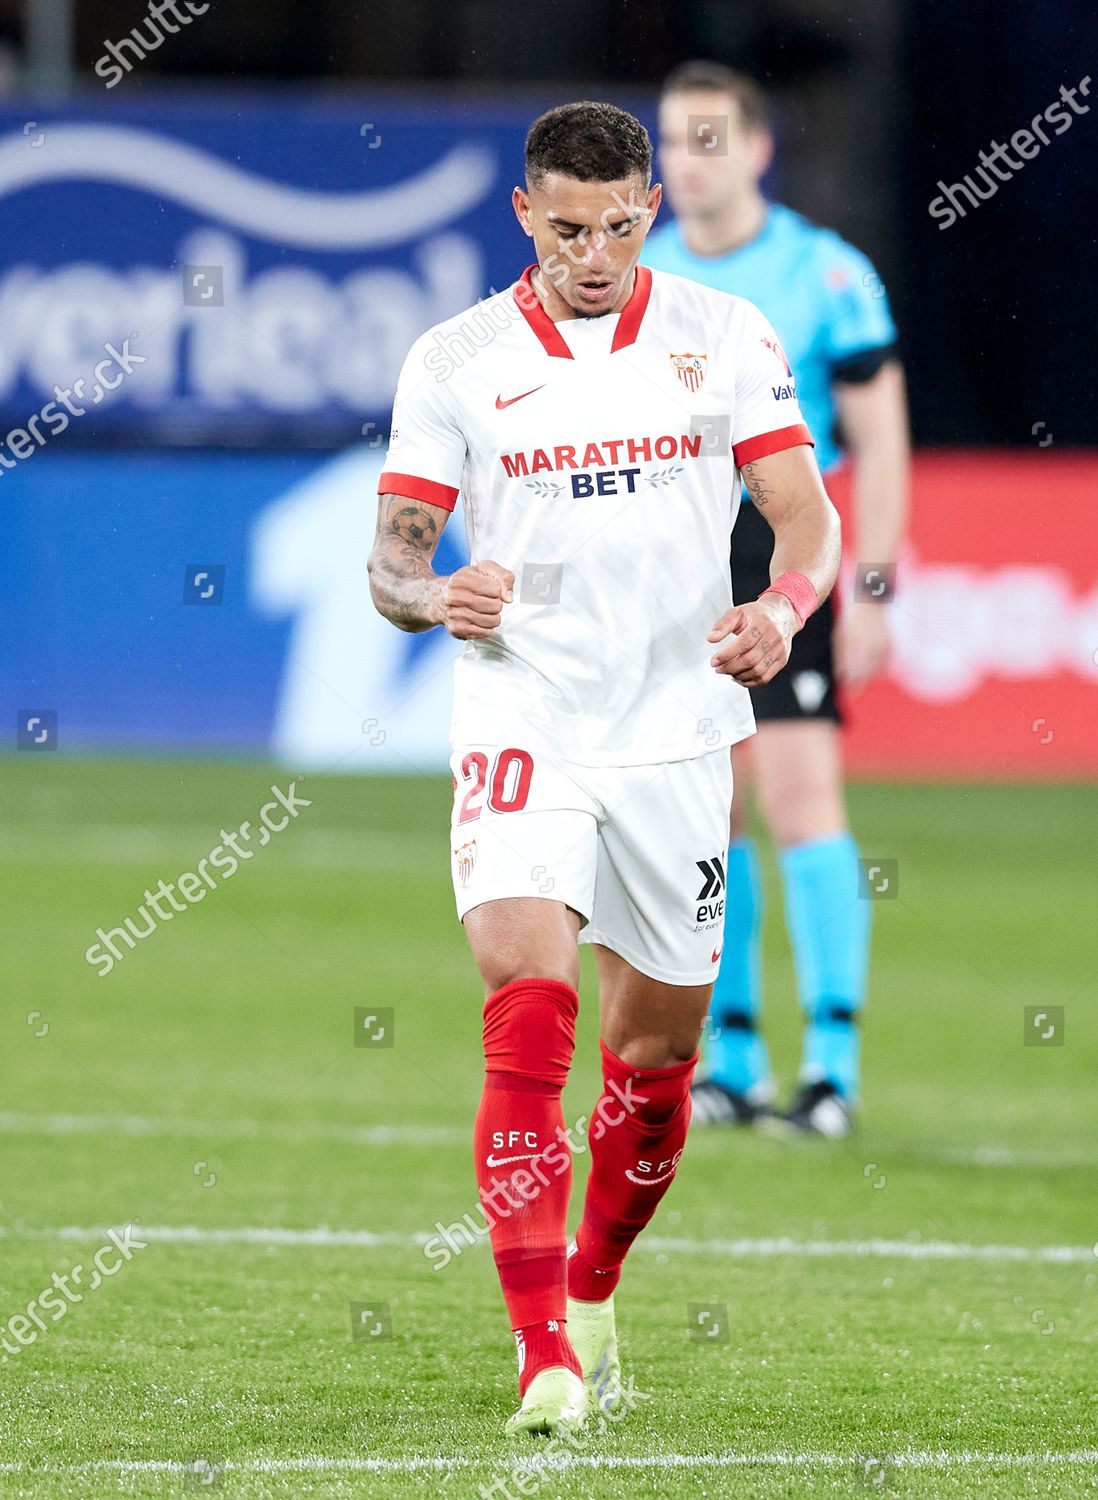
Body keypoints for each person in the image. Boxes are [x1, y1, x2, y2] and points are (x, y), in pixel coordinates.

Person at [368, 100, 840, 1437]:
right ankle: (541, 1360)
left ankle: (593, 1289)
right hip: (525, 715)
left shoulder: (722, 336)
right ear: (525, 213)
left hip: (681, 731)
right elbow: (394, 559)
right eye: (568, 227)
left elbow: (804, 515)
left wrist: (782, 611)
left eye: (619, 223)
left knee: (655, 1062)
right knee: (527, 995)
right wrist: (435, 593)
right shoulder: (456, 358)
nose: (594, 250)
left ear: (649, 208)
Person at [643, 61, 910, 1138]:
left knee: (803, 797)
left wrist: (877, 581)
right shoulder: (646, 275)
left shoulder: (825, 274)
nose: (686, 161)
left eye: (709, 139)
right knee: (712, 805)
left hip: (785, 544)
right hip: (684, 558)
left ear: (757, 150)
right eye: (672, 140)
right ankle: (733, 1058)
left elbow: (880, 437)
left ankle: (832, 1067)